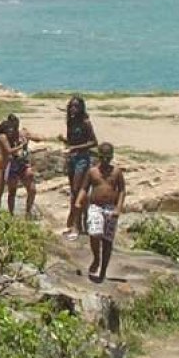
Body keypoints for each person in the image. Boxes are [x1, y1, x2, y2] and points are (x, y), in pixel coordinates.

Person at [84, 143, 125, 284]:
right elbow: (85, 188)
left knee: (107, 241)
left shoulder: (117, 172)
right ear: (99, 157)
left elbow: (122, 190)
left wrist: (118, 208)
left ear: (112, 156)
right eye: (103, 158)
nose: (106, 160)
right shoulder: (92, 171)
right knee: (94, 233)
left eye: (108, 158)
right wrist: (78, 202)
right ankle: (96, 258)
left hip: (110, 209)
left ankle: (103, 271)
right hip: (95, 206)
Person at [61, 96, 97, 238]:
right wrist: (65, 141)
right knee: (74, 192)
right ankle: (80, 222)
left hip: (82, 158)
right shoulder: (71, 122)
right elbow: (71, 141)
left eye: (76, 106)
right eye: (71, 106)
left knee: (78, 190)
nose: (73, 109)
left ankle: (77, 224)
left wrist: (75, 147)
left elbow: (94, 142)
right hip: (72, 158)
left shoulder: (85, 122)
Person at [4, 119, 36, 217]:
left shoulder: (23, 134)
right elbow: (8, 151)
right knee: (12, 191)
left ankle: (28, 211)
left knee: (32, 189)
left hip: (23, 163)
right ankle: (11, 214)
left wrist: (28, 138)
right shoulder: (6, 137)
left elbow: (35, 138)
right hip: (13, 164)